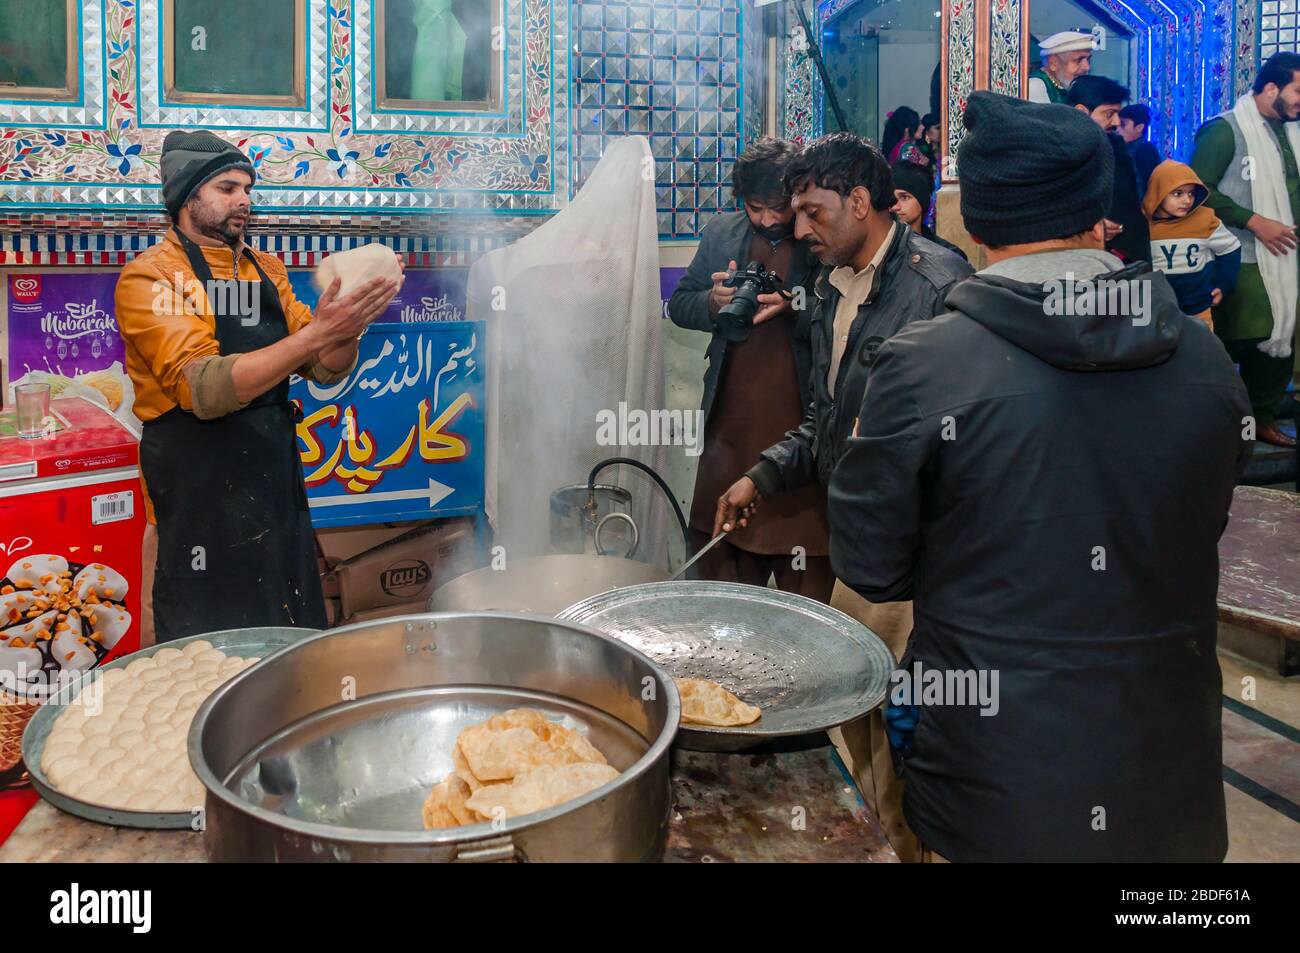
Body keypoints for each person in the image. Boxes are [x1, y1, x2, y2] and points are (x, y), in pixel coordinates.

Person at [829, 90, 1250, 862]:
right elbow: (1199, 525)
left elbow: (873, 568)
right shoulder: (1207, 361)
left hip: (994, 790)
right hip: (1167, 788)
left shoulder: (923, 366)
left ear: (977, 223)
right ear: (1100, 217)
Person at [712, 132, 973, 862]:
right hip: (859, 542)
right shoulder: (830, 290)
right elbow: (828, 419)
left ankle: (908, 844)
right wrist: (762, 475)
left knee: (901, 724)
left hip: (916, 552)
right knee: (852, 721)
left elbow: (963, 437)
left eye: (813, 211)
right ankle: (884, 841)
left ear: (861, 202)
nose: (801, 230)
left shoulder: (937, 284)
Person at [117, 131, 402, 642]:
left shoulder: (264, 270)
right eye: (227, 188)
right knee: (201, 650)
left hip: (272, 485)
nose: (244, 200)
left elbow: (325, 368)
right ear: (186, 198)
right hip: (196, 498)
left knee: (284, 636)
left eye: (247, 188)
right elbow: (204, 387)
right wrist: (320, 332)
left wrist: (350, 324)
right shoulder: (151, 279)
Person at [667, 138, 831, 600]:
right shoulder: (722, 233)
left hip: (802, 424)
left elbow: (845, 301)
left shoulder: (819, 235)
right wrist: (712, 303)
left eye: (777, 208)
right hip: (731, 426)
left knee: (807, 564)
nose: (766, 219)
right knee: (722, 567)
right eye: (754, 207)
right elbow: (680, 303)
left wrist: (794, 302)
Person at [1191, 51, 1300, 448]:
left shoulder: (1291, 132)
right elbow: (1196, 190)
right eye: (1298, 91)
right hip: (1242, 255)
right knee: (1248, 334)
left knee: (1283, 337)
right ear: (1271, 88)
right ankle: (1214, 426)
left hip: (1288, 257)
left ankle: (1262, 419)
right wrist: (1254, 220)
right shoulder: (1225, 131)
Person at [1144, 160, 1242, 329]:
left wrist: (1223, 284)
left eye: (1190, 194)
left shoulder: (1204, 219)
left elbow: (1230, 247)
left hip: (1198, 309)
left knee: (1202, 353)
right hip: (1156, 311)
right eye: (1178, 194)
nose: (1187, 200)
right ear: (1158, 192)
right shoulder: (1142, 222)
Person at [1068, 75, 1151, 264]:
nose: (1115, 122)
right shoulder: (1062, 150)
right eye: (1108, 114)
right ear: (1082, 111)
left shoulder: (1115, 145)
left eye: (1118, 115)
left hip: (1126, 252)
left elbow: (1128, 200)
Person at [889, 160, 968, 262]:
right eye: (890, 198)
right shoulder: (876, 253)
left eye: (904, 197)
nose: (895, 206)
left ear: (923, 201)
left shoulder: (948, 255)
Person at [1027, 30, 1094, 104]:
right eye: (1078, 60)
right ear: (1054, 63)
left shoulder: (1066, 86)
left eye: (1088, 59)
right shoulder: (1036, 86)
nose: (1087, 67)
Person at [1119, 103, 1162, 192]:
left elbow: (1145, 187)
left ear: (1139, 127)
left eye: (1123, 125)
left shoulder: (1145, 150)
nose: (1117, 129)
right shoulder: (1122, 147)